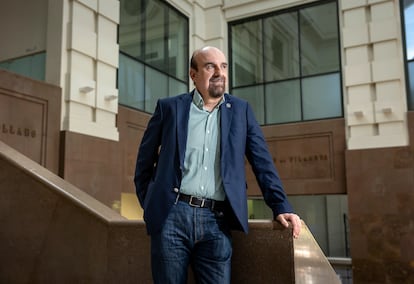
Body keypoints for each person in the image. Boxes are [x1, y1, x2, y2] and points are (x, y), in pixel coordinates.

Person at [134, 46, 302, 284]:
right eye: (210, 66)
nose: (219, 72)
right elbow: (143, 162)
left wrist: (280, 205)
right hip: (172, 217)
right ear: (193, 75)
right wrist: (152, 204)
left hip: (217, 220)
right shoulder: (170, 108)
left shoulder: (241, 111)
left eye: (223, 66)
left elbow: (262, 163)